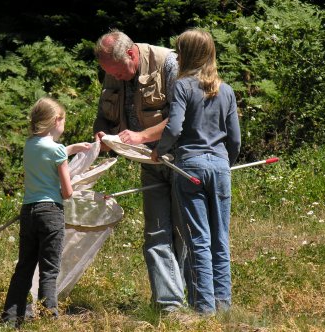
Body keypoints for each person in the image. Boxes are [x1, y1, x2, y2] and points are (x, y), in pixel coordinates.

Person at [93, 29, 186, 313]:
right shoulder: (112, 69)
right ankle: (169, 307)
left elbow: (181, 116)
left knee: (183, 234)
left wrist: (141, 136)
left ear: (131, 53)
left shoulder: (168, 63)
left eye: (120, 72)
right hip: (149, 164)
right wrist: (101, 134)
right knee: (156, 233)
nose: (116, 78)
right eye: (112, 74)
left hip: (179, 160)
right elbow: (103, 114)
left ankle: (195, 300)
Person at [151, 28, 241, 314]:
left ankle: (204, 308)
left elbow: (174, 127)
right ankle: (223, 306)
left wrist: (159, 150)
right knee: (220, 239)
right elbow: (235, 139)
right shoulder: (226, 90)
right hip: (220, 165)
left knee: (199, 239)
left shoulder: (182, 86)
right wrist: (225, 162)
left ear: (185, 55)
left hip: (190, 167)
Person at [1, 97, 90, 327]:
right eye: (64, 121)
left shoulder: (29, 144)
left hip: (28, 212)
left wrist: (72, 149)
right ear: (55, 120)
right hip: (51, 213)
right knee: (49, 271)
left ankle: (10, 320)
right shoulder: (57, 150)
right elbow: (67, 192)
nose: (64, 126)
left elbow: (49, 155)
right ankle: (48, 321)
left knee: (24, 267)